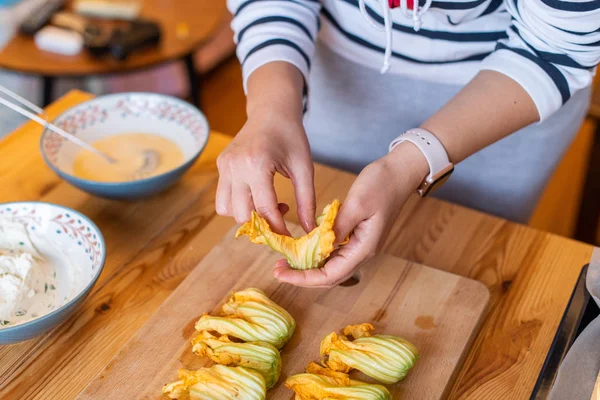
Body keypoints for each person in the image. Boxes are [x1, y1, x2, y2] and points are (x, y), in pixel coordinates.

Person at [215, 0, 600, 288]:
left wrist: (411, 163)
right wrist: (270, 109)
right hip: (338, 76)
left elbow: (556, 47)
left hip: (510, 96)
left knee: (471, 263)